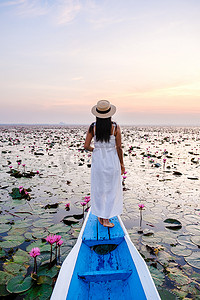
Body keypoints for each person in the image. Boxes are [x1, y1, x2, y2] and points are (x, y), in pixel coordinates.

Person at [84, 100, 125, 228]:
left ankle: (101, 216)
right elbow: (119, 147)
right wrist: (122, 164)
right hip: (112, 161)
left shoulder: (93, 127)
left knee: (99, 189)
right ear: (110, 113)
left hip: (98, 163)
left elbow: (86, 146)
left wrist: (96, 149)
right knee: (111, 190)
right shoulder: (115, 127)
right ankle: (106, 219)